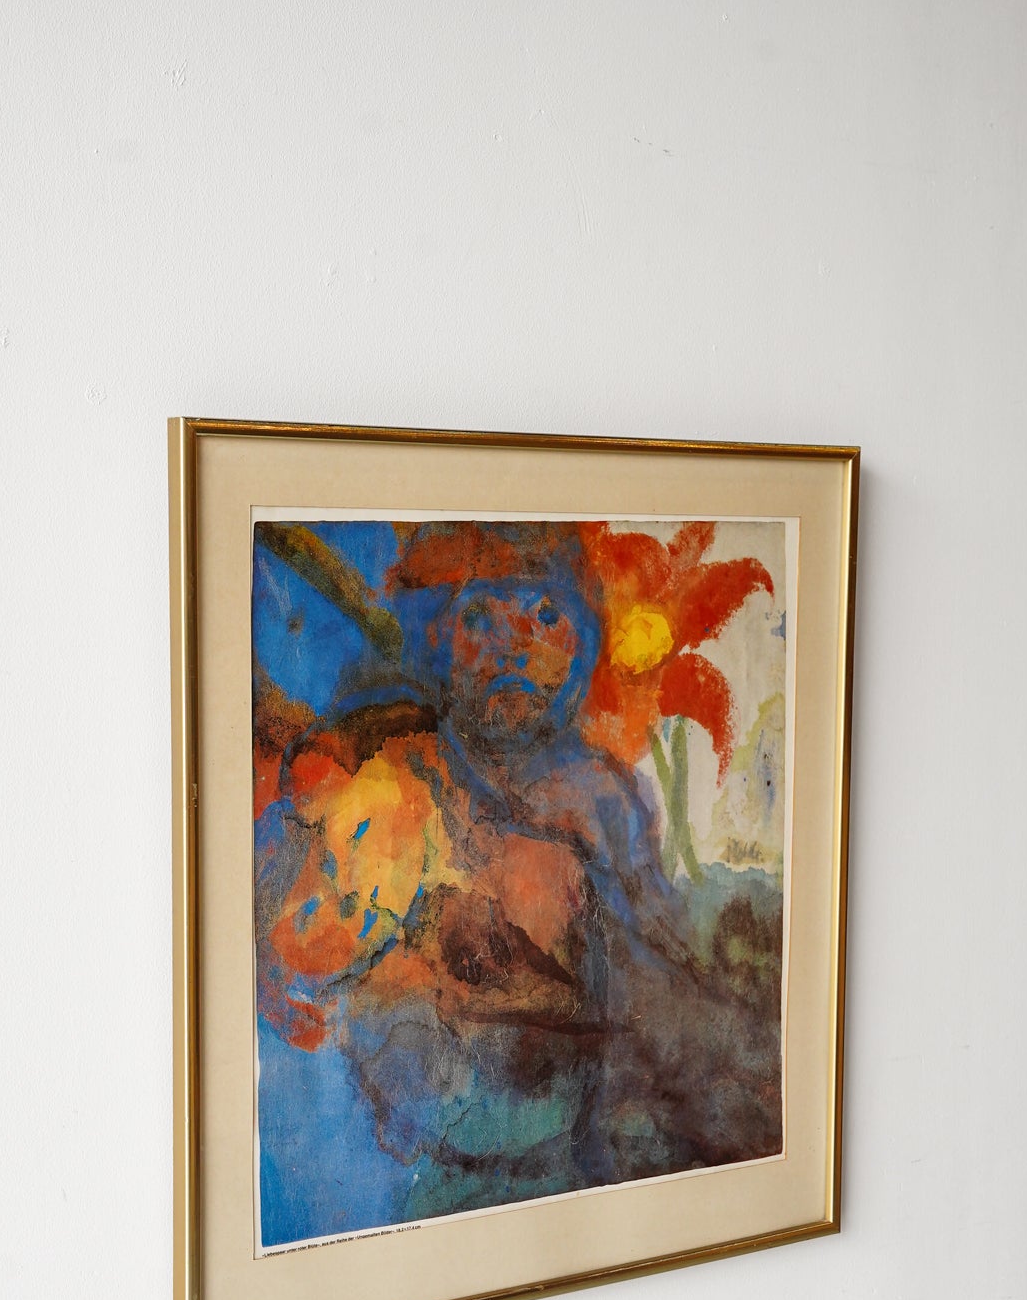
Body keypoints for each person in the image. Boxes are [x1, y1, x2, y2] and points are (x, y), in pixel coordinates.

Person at [254, 522, 781, 1237]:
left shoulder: (603, 797)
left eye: (546, 614)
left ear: (583, 641)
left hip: (580, 1154)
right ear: (437, 640)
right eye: (479, 616)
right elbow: (297, 899)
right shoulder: (399, 772)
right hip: (431, 1164)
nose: (514, 642)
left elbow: (656, 960)